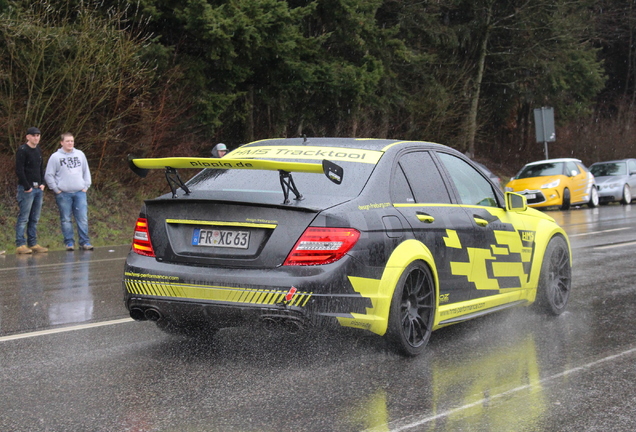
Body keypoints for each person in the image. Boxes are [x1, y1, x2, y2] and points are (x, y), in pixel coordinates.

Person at [45, 132, 93, 251]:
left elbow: (86, 171)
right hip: (63, 194)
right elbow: (49, 175)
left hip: (80, 192)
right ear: (62, 143)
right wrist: (56, 189)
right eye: (67, 141)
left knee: (82, 218)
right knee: (66, 219)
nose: (70, 143)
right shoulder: (55, 157)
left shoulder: (80, 154)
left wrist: (86, 186)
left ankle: (85, 242)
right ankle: (69, 243)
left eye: (72, 141)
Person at [15, 127, 49, 254]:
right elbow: (19, 170)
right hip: (26, 190)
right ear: (27, 137)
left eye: (38, 135)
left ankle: (33, 243)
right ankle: (20, 244)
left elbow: (41, 168)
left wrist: (42, 183)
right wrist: (26, 186)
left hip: (38, 189)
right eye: (33, 135)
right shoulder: (22, 150)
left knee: (34, 217)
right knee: (24, 217)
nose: (36, 137)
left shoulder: (38, 150)